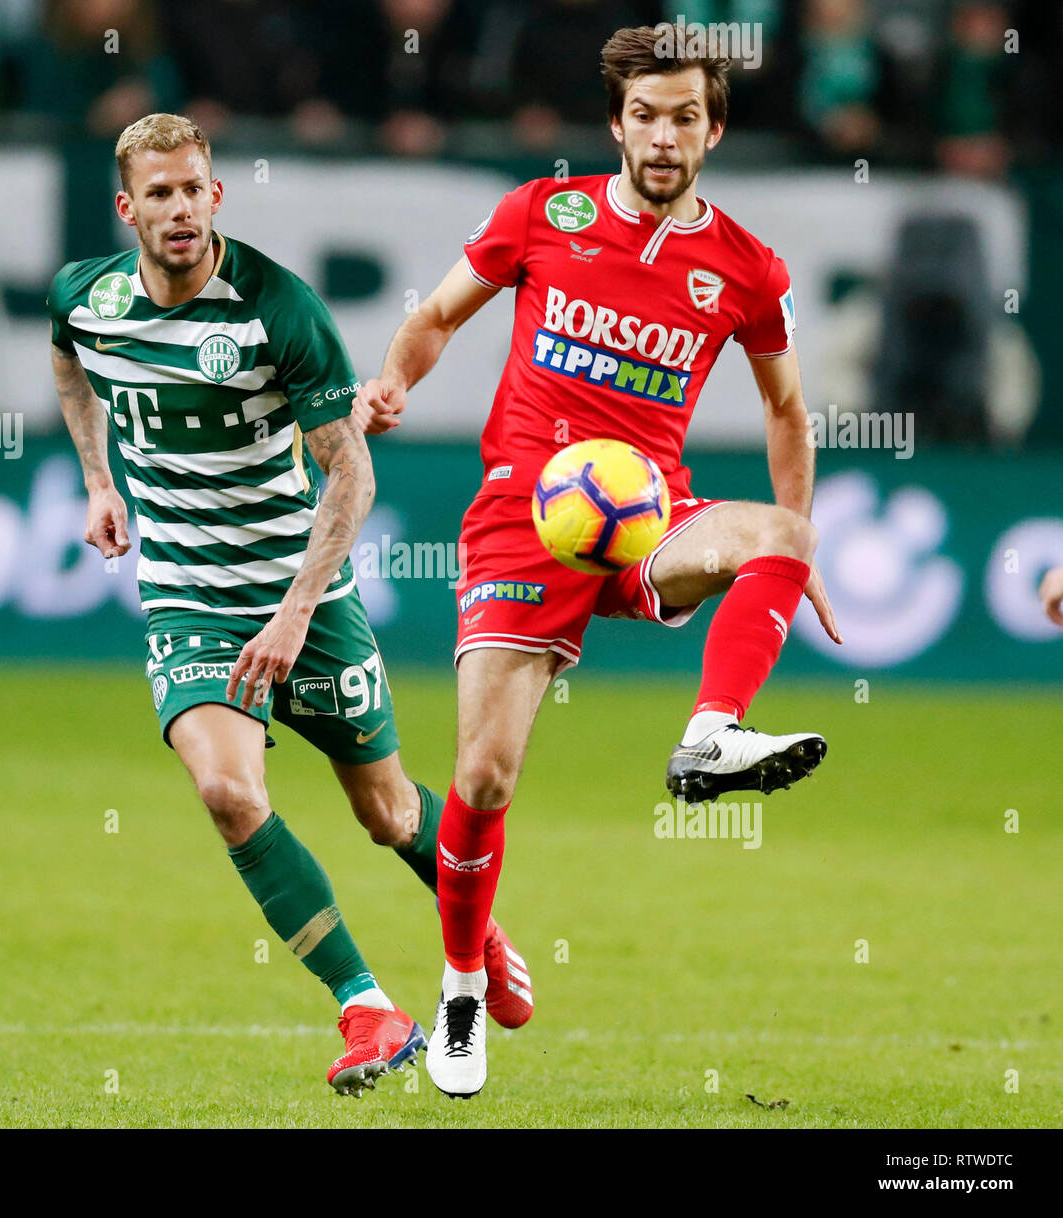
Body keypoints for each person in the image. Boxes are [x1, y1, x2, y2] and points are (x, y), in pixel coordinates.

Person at [353, 25, 841, 1097]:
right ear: (615, 122)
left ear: (712, 129)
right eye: (644, 115)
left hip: (643, 520)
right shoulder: (543, 213)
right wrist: (392, 383)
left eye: (683, 117)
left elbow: (786, 410)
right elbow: (434, 315)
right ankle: (461, 991)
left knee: (786, 531)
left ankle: (710, 737)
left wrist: (789, 557)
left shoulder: (748, 270)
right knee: (482, 777)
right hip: (525, 519)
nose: (662, 136)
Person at [47, 113, 531, 1096]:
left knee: (387, 812)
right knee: (228, 794)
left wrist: (297, 611)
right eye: (161, 193)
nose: (180, 209)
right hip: (188, 600)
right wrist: (99, 478)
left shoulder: (277, 309)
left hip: (299, 593)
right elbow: (67, 358)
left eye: (195, 189)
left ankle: (475, 938)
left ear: (215, 195)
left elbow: (349, 480)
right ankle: (368, 1007)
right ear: (125, 207)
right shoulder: (85, 299)